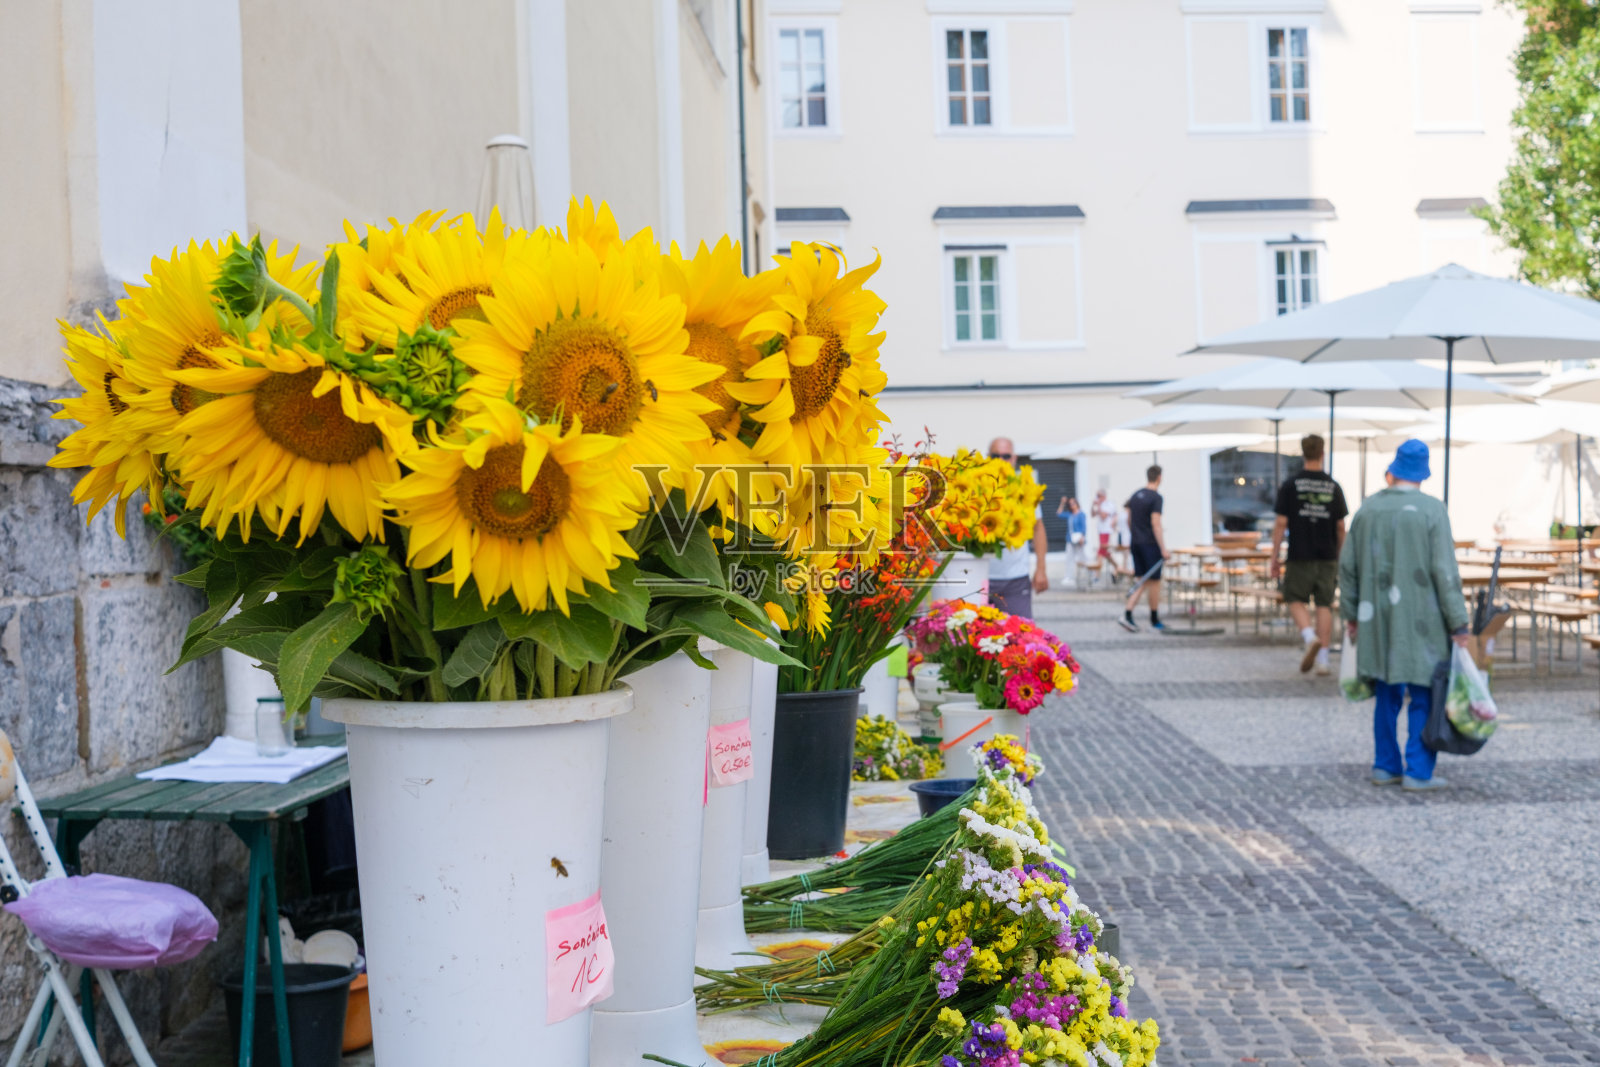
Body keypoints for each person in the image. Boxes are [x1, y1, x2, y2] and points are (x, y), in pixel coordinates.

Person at [1338, 440, 1471, 792]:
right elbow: (1445, 571)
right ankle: (1418, 771)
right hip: (1422, 620)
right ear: (1423, 474)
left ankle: (1385, 765)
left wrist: (1350, 614)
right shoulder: (1432, 510)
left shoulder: (1367, 509)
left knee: (1386, 691)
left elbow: (1347, 567)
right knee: (1425, 693)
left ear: (1392, 470)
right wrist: (1459, 622)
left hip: (1376, 620)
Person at [1270, 434, 1348, 676]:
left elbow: (1281, 524)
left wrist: (1274, 556)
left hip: (1299, 553)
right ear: (1322, 453)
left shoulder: (1291, 485)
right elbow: (1341, 527)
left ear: (1302, 454)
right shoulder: (1333, 486)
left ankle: (1308, 635)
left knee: (1293, 597)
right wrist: (1340, 556)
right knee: (1325, 604)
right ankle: (1323, 660)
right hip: (1327, 556)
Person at [987, 437, 1049, 617]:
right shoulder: (977, 487)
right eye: (995, 455)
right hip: (982, 575)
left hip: (1015, 578)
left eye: (1005, 456)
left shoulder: (1026, 489)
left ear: (1014, 458)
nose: (1000, 460)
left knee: (1020, 635)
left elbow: (1038, 529)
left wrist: (1041, 569)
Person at [1118, 466, 1168, 632]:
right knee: (1153, 582)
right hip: (1150, 544)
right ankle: (1154, 619)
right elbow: (1156, 524)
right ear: (1159, 477)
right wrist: (1163, 548)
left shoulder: (1136, 495)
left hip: (1136, 543)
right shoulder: (1156, 498)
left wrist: (1135, 534)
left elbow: (1129, 519)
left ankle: (1128, 613)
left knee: (1141, 579)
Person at [1056, 496, 1088, 586]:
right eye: (1070, 504)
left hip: (1079, 539)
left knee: (1082, 558)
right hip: (1070, 539)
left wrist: (1082, 537)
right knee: (1069, 558)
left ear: (1077, 504)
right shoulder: (1069, 515)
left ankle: (1088, 575)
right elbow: (1059, 514)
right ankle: (1069, 577)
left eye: (1073, 503)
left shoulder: (1081, 514)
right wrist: (1062, 503)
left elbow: (1084, 527)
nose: (1072, 505)